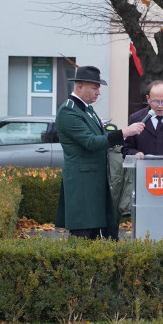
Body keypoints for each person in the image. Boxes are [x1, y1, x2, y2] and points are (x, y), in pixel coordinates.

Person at [54, 66, 144, 239]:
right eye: (94, 88)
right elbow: (91, 142)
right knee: (83, 235)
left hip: (93, 182)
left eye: (98, 88)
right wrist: (124, 133)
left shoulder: (85, 109)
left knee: (94, 235)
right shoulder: (69, 111)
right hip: (82, 184)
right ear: (79, 87)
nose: (98, 93)